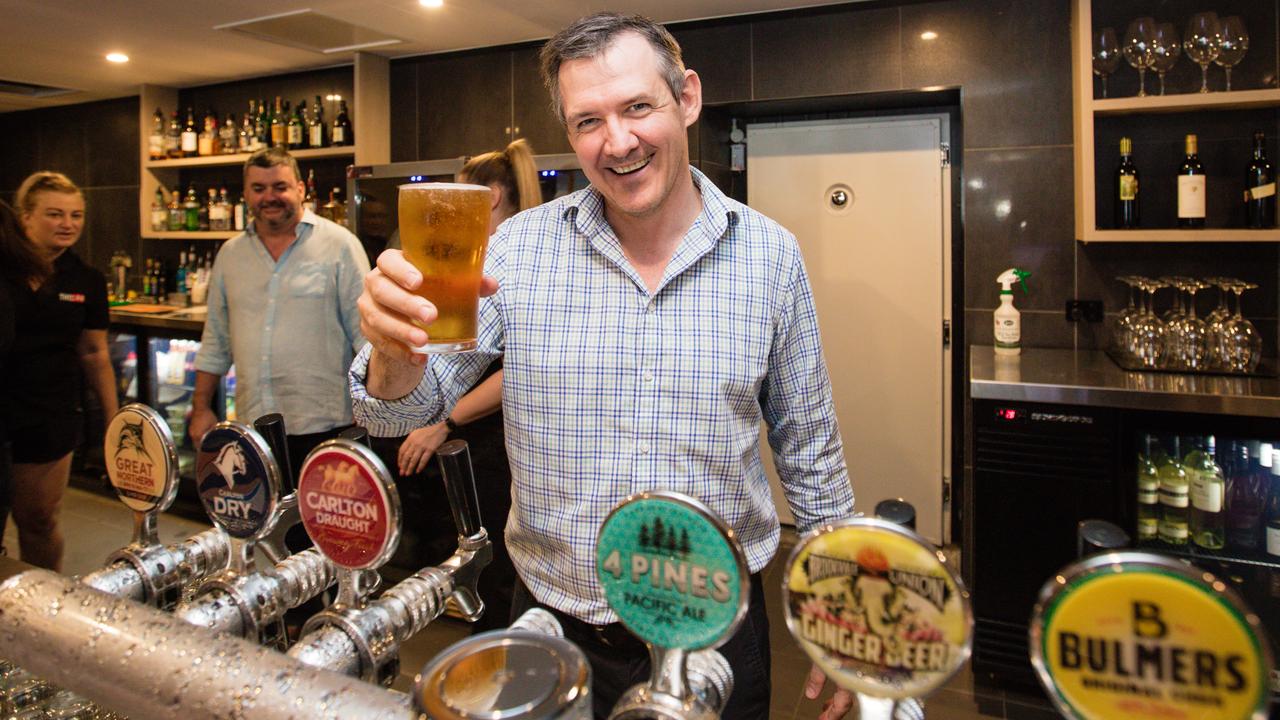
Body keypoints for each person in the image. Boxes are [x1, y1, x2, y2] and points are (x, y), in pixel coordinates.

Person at [350, 13, 855, 720]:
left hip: (716, 632)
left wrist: (844, 612)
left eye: (637, 107)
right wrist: (392, 353)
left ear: (686, 98)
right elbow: (396, 410)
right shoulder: (517, 251)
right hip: (552, 625)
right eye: (588, 121)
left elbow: (810, 445)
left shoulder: (770, 256)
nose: (616, 142)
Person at [376, 138, 542, 632]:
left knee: (493, 562)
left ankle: (492, 657)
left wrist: (445, 421)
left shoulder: (512, 258)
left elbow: (516, 369)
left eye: (459, 193)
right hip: (475, 435)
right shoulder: (466, 259)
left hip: (493, 441)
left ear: (487, 196)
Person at [189, 147, 370, 469]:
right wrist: (201, 406)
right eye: (258, 189)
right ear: (246, 194)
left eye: (280, 187)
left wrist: (373, 407)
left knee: (318, 521)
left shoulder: (340, 245)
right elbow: (216, 339)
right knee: (266, 520)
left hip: (327, 426)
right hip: (253, 427)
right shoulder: (230, 255)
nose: (269, 197)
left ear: (300, 190)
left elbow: (365, 336)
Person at [0, 173, 118, 571]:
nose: (68, 223)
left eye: (76, 215)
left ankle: (45, 609)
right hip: (4, 407)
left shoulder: (86, 279)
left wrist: (114, 421)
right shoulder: (4, 271)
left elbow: (95, 353)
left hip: (51, 414)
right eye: (54, 214)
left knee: (39, 520)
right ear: (25, 218)